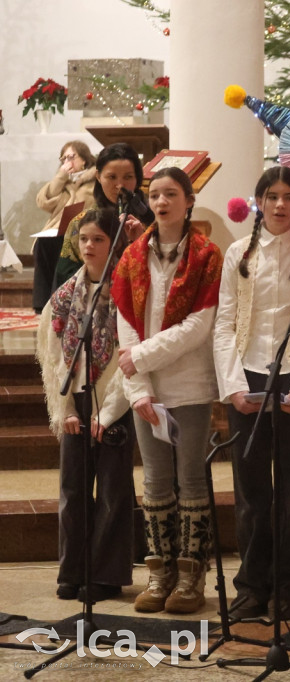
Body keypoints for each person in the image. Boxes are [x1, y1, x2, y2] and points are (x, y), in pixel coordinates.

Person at [213, 166, 290, 621]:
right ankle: (252, 586)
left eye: (289, 197)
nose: (280, 205)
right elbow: (224, 323)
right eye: (272, 196)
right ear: (259, 201)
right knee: (252, 490)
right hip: (250, 377)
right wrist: (234, 385)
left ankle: (289, 587)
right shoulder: (239, 253)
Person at [111, 167, 222, 615]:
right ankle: (160, 573)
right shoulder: (132, 256)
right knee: (155, 480)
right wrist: (137, 388)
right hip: (147, 390)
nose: (161, 202)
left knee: (192, 478)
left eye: (170, 194)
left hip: (191, 385)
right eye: (154, 194)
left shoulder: (207, 255)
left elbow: (199, 326)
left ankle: (192, 574)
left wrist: (141, 358)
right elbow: (125, 328)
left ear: (188, 201)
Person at [37, 207, 135, 603]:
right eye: (84, 239)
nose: (90, 246)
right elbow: (52, 354)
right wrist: (67, 411)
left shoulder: (126, 292)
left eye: (99, 239)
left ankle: (107, 575)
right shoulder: (63, 296)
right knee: (72, 490)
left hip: (116, 400)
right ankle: (72, 571)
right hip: (75, 399)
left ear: (114, 244)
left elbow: (128, 355)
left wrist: (107, 411)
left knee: (113, 491)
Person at [53, 142, 153, 291]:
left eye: (128, 177)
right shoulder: (81, 222)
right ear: (98, 176)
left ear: (138, 178)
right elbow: (65, 277)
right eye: (111, 177)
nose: (119, 185)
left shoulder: (151, 219)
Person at [33, 141, 97, 313]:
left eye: (71, 157)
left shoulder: (93, 182)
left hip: (80, 229)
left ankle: (59, 298)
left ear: (84, 159)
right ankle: (41, 303)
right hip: (58, 230)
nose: (67, 162)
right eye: (64, 158)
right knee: (43, 243)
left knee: (62, 243)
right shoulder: (64, 182)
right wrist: (61, 176)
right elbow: (44, 201)